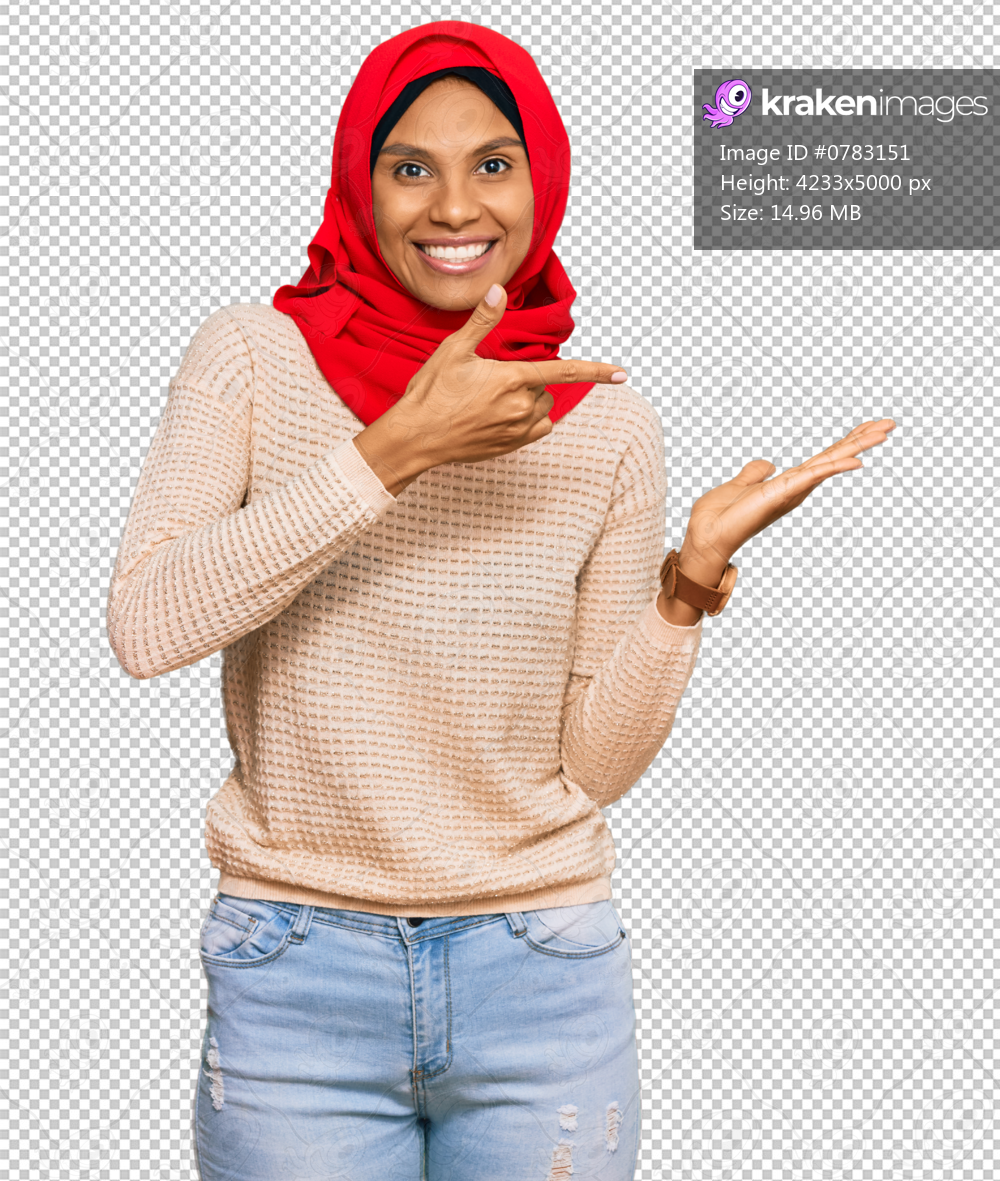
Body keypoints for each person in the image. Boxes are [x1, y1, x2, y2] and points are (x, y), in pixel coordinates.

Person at [106, 21, 895, 1181]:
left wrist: (688, 581)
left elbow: (592, 764)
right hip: (296, 968)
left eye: (492, 163)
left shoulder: (606, 423)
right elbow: (145, 624)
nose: (453, 206)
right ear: (359, 181)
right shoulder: (253, 357)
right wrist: (394, 451)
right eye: (409, 167)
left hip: (541, 972)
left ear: (542, 180)